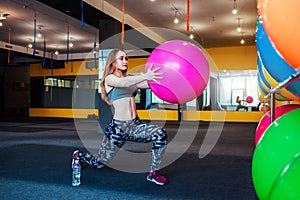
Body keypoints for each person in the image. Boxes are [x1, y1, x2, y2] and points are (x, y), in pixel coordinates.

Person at [72, 49, 168, 186]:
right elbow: (124, 83)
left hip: (135, 125)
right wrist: (145, 75)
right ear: (113, 62)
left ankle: (154, 172)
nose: (125, 61)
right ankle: (79, 156)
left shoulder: (129, 79)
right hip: (118, 128)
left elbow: (148, 84)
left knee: (160, 134)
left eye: (126, 58)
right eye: (121, 58)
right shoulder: (110, 79)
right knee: (100, 162)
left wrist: (162, 77)